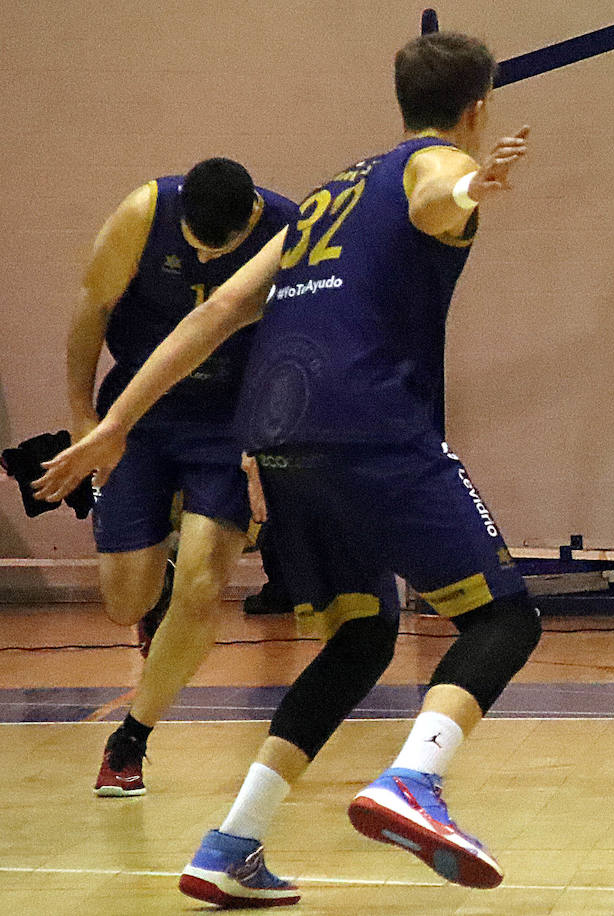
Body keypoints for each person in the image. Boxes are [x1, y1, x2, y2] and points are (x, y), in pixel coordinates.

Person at [37, 31, 536, 907]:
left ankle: (233, 843)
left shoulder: (325, 195)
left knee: (361, 637)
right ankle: (414, 782)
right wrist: (471, 181)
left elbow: (222, 309)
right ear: (477, 108)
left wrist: (116, 421)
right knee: (504, 622)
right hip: (372, 425)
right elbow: (436, 190)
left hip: (276, 436)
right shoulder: (428, 172)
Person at [67, 158, 296, 797]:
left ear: (249, 219)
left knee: (203, 583)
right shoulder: (142, 212)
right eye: (189, 245)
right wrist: (86, 420)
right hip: (138, 411)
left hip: (229, 421)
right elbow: (90, 312)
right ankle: (155, 586)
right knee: (124, 602)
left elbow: (296, 343)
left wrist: (266, 441)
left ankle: (129, 740)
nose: (198, 256)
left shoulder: (287, 229)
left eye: (213, 249)